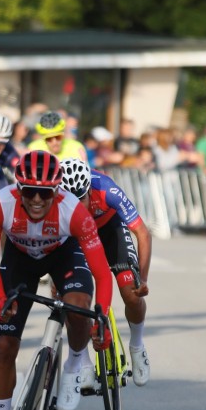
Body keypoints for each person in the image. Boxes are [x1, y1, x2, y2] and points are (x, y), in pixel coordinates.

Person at [0, 150, 113, 410]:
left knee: (79, 307)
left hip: (64, 254)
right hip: (19, 259)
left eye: (45, 192)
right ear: (18, 189)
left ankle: (74, 366)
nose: (37, 199)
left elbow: (102, 273)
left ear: (57, 190)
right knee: (5, 345)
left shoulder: (74, 211)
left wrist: (102, 315)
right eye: (30, 191)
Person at [59, 158, 152, 385]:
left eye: (81, 199)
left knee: (131, 293)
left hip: (110, 230)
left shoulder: (106, 187)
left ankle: (137, 345)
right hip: (76, 235)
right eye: (71, 201)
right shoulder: (56, 198)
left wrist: (143, 277)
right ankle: (83, 362)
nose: (77, 206)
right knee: (71, 300)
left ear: (89, 189)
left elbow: (142, 232)